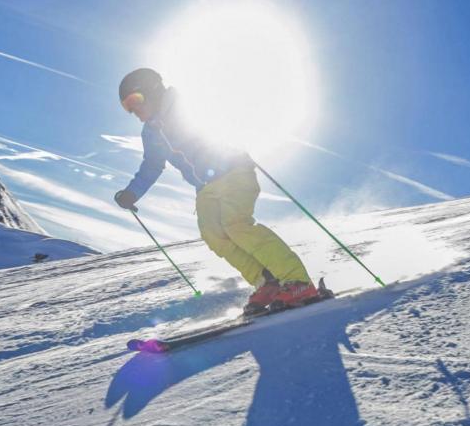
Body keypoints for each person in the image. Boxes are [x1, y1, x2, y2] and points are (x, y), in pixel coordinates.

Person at [114, 67, 319, 313]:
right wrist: (132, 193)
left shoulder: (185, 104)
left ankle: (297, 281)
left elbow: (223, 119)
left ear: (152, 90)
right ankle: (267, 281)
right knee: (213, 235)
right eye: (127, 107)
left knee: (236, 224)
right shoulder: (150, 132)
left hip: (234, 171)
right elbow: (152, 165)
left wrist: (236, 145)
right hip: (205, 187)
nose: (133, 110)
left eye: (135, 100)